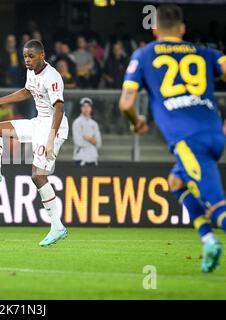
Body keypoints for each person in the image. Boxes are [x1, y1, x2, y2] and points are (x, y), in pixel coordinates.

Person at [119, 4, 226, 273]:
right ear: (182, 29)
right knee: (176, 182)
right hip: (213, 134)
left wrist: (137, 122)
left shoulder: (144, 55)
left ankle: (212, 235)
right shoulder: (205, 53)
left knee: (219, 207)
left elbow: (125, 103)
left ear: (154, 29)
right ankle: (209, 241)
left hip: (189, 142)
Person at [0, 39, 69, 247]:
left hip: (54, 127)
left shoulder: (52, 77)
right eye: (25, 56)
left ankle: (57, 226)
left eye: (31, 56)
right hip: (38, 122)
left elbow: (59, 109)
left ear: (42, 55)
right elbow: (26, 92)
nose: (27, 60)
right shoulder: (31, 72)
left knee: (38, 176)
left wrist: (50, 138)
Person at [72, 97, 101, 166]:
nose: (86, 108)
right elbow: (78, 142)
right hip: (81, 158)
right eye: (84, 106)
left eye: (88, 106)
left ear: (91, 108)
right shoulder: (77, 122)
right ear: (81, 108)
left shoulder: (94, 124)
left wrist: (87, 138)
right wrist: (92, 140)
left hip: (93, 159)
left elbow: (99, 143)